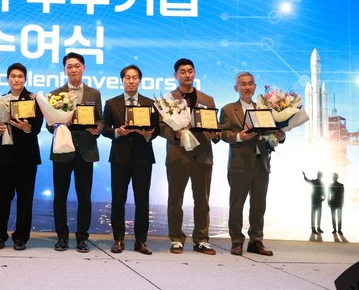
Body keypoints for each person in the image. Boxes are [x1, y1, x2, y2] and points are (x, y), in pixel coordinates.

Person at [219, 72, 285, 256]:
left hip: (261, 163)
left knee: (259, 204)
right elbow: (222, 134)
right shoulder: (228, 109)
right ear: (236, 88)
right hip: (239, 164)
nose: (247, 87)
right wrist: (239, 136)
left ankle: (256, 241)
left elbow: (275, 132)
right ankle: (236, 241)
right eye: (243, 84)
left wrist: (280, 135)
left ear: (255, 87)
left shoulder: (265, 109)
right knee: (237, 204)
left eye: (250, 83)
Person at [159, 58, 221, 255]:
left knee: (202, 200)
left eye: (190, 71)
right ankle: (176, 239)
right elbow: (160, 127)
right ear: (175, 75)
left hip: (203, 155)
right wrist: (175, 134)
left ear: (194, 73)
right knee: (175, 200)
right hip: (178, 155)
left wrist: (215, 134)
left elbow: (215, 125)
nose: (187, 75)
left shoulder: (207, 99)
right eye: (183, 71)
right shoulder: (168, 99)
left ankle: (201, 239)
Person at [100, 65, 159, 255]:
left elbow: (157, 129)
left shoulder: (150, 103)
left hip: (143, 158)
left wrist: (148, 134)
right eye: (128, 78)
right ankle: (118, 239)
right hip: (120, 157)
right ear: (122, 80)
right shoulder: (112, 103)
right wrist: (118, 132)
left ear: (139, 80)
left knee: (142, 201)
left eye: (135, 78)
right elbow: (104, 129)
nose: (131, 81)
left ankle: (141, 241)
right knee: (118, 200)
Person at [49, 52, 104, 253]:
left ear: (84, 68)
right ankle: (62, 237)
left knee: (84, 197)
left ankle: (82, 237)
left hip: (86, 150)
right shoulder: (55, 93)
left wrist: (97, 128)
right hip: (63, 149)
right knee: (60, 197)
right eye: (70, 66)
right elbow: (49, 125)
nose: (74, 69)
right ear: (64, 70)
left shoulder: (94, 93)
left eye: (77, 66)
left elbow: (100, 118)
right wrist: (57, 123)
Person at [0, 63, 43, 251]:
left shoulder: (34, 100)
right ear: (8, 79)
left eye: (20, 76)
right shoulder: (0, 101)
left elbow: (37, 127)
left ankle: (21, 237)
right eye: (13, 76)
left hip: (27, 157)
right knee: (1, 198)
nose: (17, 79)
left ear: (25, 79)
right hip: (5, 157)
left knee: (25, 199)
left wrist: (27, 128)